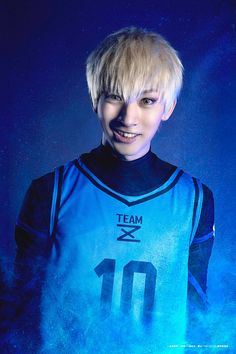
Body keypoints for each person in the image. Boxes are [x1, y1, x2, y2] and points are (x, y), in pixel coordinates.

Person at [13, 27, 214, 353]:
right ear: (95, 99)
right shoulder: (51, 192)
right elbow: (18, 305)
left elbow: (198, 309)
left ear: (168, 107)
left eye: (147, 100)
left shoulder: (195, 199)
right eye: (115, 96)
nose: (128, 117)